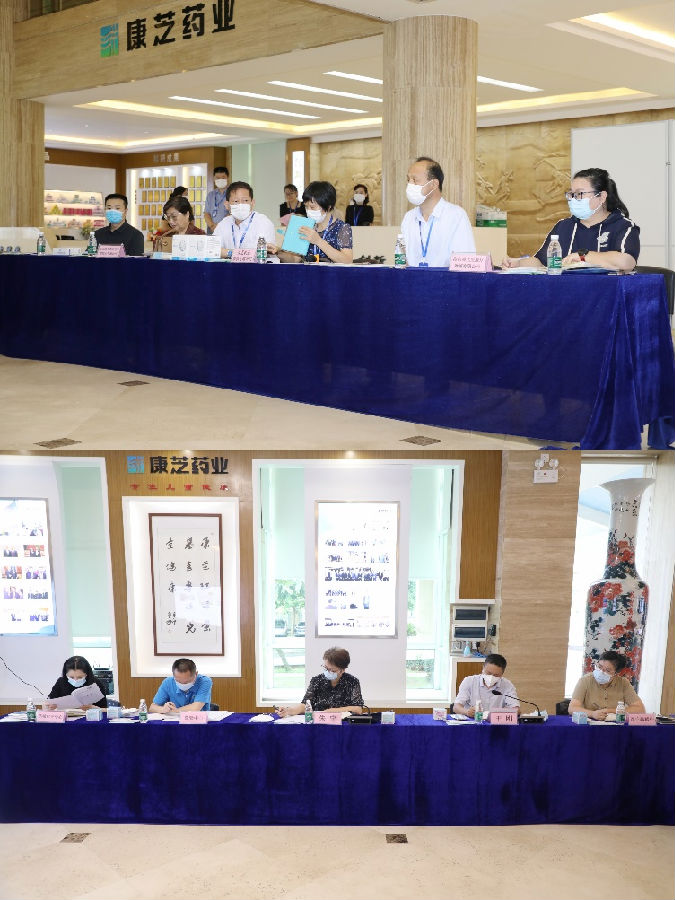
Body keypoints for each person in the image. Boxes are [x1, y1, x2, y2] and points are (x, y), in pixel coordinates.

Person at [502, 168, 639, 272]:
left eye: (579, 194)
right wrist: (518, 263)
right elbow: (541, 262)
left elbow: (627, 262)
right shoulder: (564, 226)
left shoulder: (622, 226)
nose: (573, 199)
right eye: (571, 194)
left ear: (602, 197)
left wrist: (583, 257)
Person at [400, 156, 475, 268]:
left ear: (434, 184)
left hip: (446, 279)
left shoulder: (456, 216)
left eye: (415, 180)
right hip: (412, 278)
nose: (410, 185)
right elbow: (401, 258)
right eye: (408, 180)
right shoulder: (409, 217)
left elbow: (466, 263)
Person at [278, 180, 353, 264]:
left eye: (312, 207)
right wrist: (277, 252)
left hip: (331, 272)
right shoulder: (305, 226)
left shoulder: (342, 228)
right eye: (306, 207)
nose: (308, 211)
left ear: (328, 207)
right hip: (308, 272)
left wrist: (318, 241)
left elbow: (347, 260)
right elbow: (295, 259)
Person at [276, 647, 364, 717]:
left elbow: (358, 709)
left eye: (332, 670)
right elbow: (305, 705)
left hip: (342, 724)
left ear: (342, 670)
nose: (328, 672)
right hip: (320, 721)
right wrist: (288, 711)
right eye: (326, 668)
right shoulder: (317, 680)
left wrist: (333, 711)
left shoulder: (352, 682)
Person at [569, 650, 645, 720]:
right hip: (589, 724)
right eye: (599, 667)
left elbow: (640, 709)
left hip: (615, 725)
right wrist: (592, 714)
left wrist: (609, 711)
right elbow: (572, 708)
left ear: (616, 673)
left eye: (607, 670)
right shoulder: (585, 680)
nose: (601, 672)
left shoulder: (623, 683)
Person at [213, 181, 276, 258]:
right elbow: (213, 250)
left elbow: (265, 252)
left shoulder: (263, 223)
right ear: (227, 205)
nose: (241, 204)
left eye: (245, 200)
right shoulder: (223, 224)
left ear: (252, 203)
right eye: (236, 201)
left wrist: (229, 253)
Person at [453, 653, 520, 717]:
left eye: (496, 675)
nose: (491, 677)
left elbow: (516, 710)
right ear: (483, 668)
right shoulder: (469, 681)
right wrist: (467, 712)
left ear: (502, 674)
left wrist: (503, 712)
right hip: (473, 720)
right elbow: (456, 707)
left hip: (495, 722)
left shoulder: (507, 685)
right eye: (488, 673)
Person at [204, 166, 230, 234]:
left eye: (223, 177)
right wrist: (212, 226)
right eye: (218, 178)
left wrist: (220, 226)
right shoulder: (210, 195)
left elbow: (232, 213)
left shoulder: (232, 194)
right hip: (211, 229)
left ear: (227, 178)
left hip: (227, 229)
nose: (220, 180)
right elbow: (206, 213)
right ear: (214, 179)